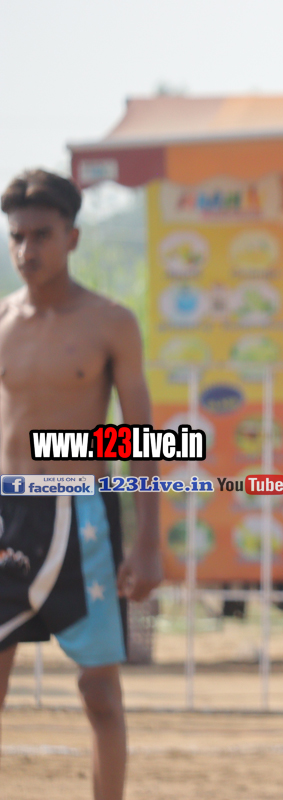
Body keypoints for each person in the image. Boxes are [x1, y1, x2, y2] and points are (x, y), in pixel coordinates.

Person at [0, 170, 163, 800]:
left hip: (82, 518)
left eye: (41, 234)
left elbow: (142, 437)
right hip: (9, 515)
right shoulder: (3, 321)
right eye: (17, 236)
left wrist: (147, 541)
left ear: (71, 237)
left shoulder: (109, 323)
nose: (27, 250)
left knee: (99, 691)